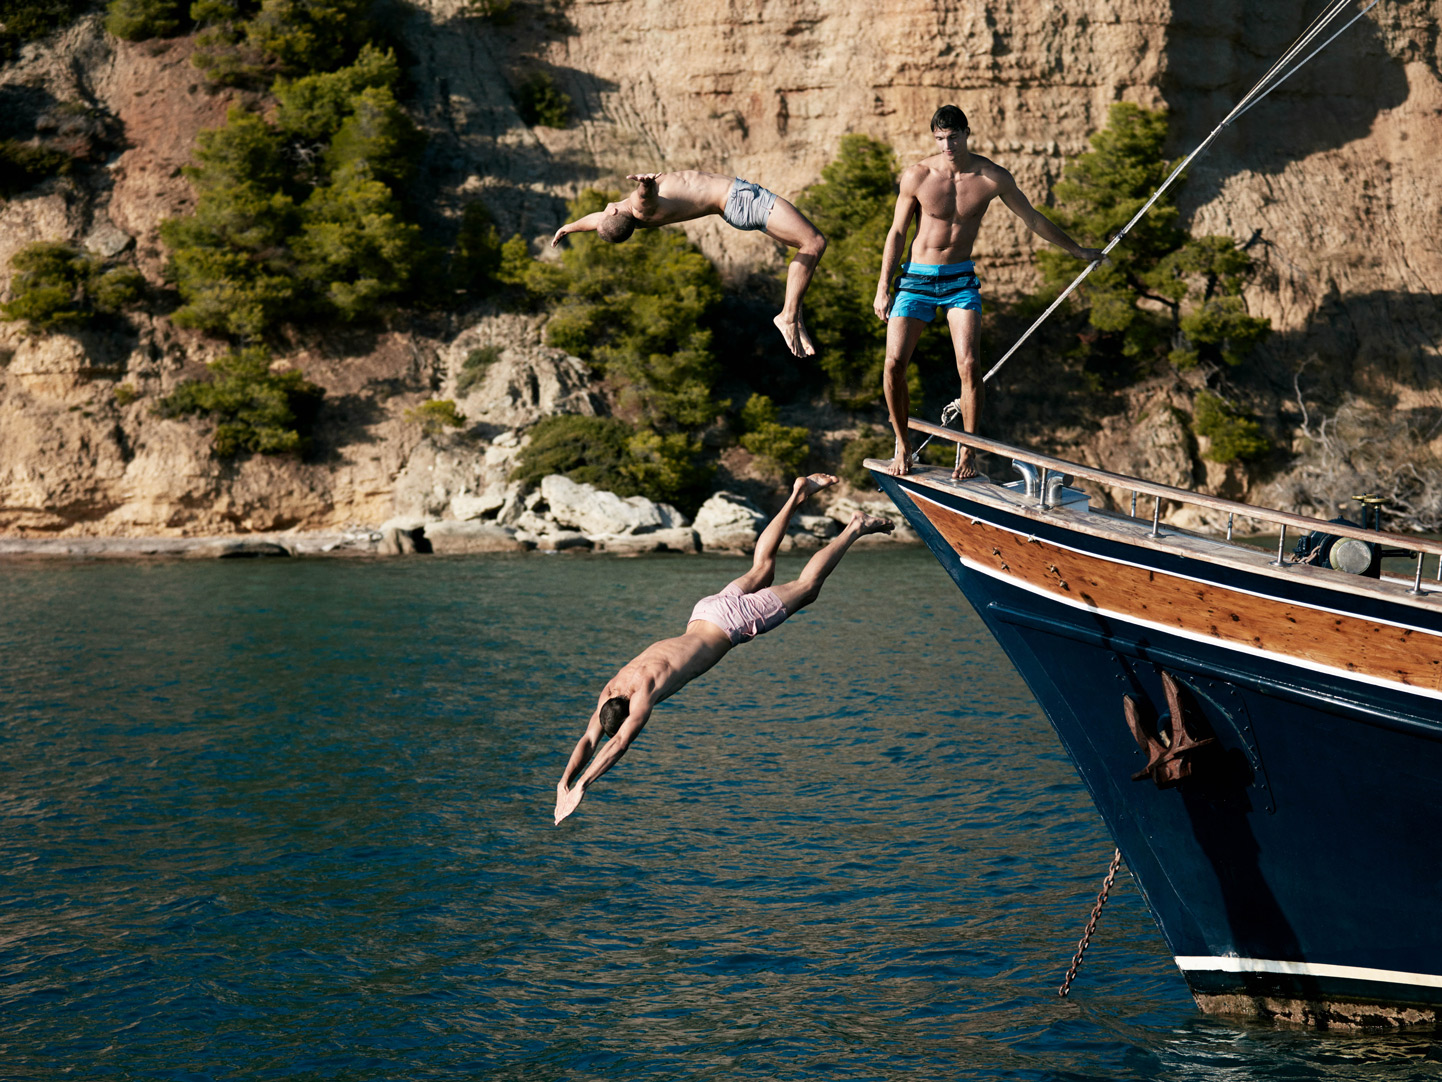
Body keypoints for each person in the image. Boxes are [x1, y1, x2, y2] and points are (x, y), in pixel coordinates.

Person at [554, 474, 893, 824]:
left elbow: (618, 744)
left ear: (628, 712)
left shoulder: (643, 695)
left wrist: (584, 785)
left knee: (807, 588)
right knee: (761, 568)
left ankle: (855, 527)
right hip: (704, 612)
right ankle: (798, 493)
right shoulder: (611, 689)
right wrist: (564, 782)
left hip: (732, 624)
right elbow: (588, 740)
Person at [873, 105, 1105, 479]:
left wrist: (1077, 250)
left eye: (954, 136)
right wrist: (883, 287)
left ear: (967, 132)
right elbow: (897, 233)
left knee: (969, 365)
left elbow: (1032, 218)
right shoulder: (917, 176)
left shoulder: (992, 177)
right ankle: (902, 443)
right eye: (940, 138)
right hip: (915, 279)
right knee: (893, 365)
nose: (948, 145)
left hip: (960, 280)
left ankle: (968, 451)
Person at [551, 170, 828, 359]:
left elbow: (597, 221)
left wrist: (569, 227)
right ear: (611, 211)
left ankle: (796, 315)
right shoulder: (638, 206)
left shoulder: (631, 219)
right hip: (740, 198)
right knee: (813, 243)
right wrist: (645, 182)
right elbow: (645, 197)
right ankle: (788, 316)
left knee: (804, 252)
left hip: (735, 208)